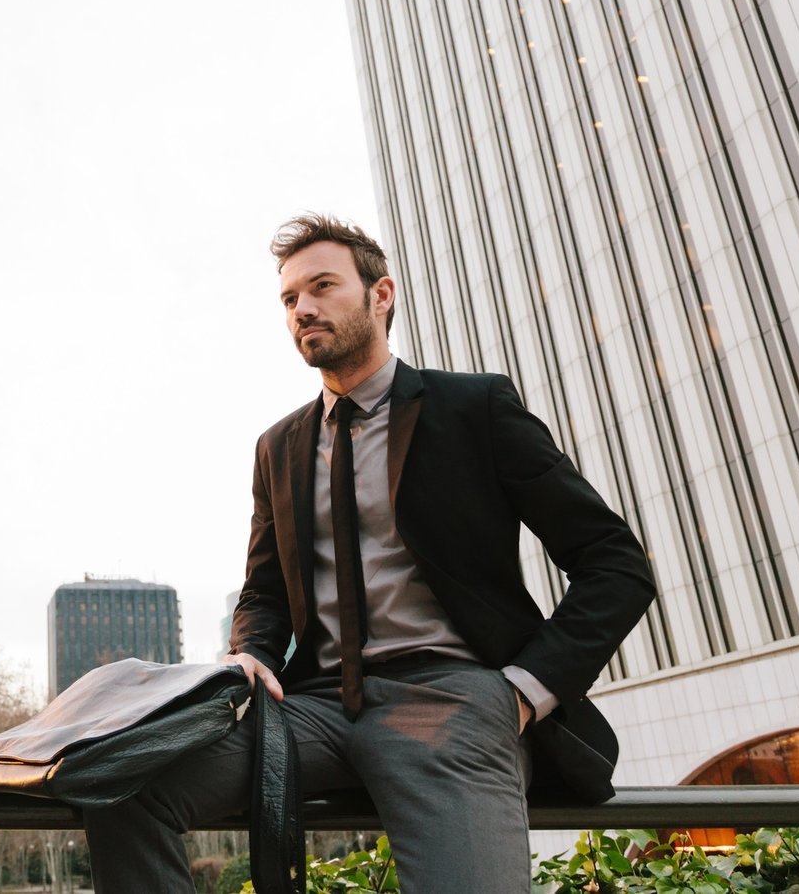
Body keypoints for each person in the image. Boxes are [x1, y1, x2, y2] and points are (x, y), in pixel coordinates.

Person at [83, 215, 656, 892]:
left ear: (380, 295)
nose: (303, 308)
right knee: (124, 785)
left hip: (451, 698)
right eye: (290, 298)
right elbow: (265, 593)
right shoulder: (279, 447)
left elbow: (616, 563)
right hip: (317, 706)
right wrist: (252, 653)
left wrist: (522, 695)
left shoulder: (474, 408)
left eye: (322, 286)